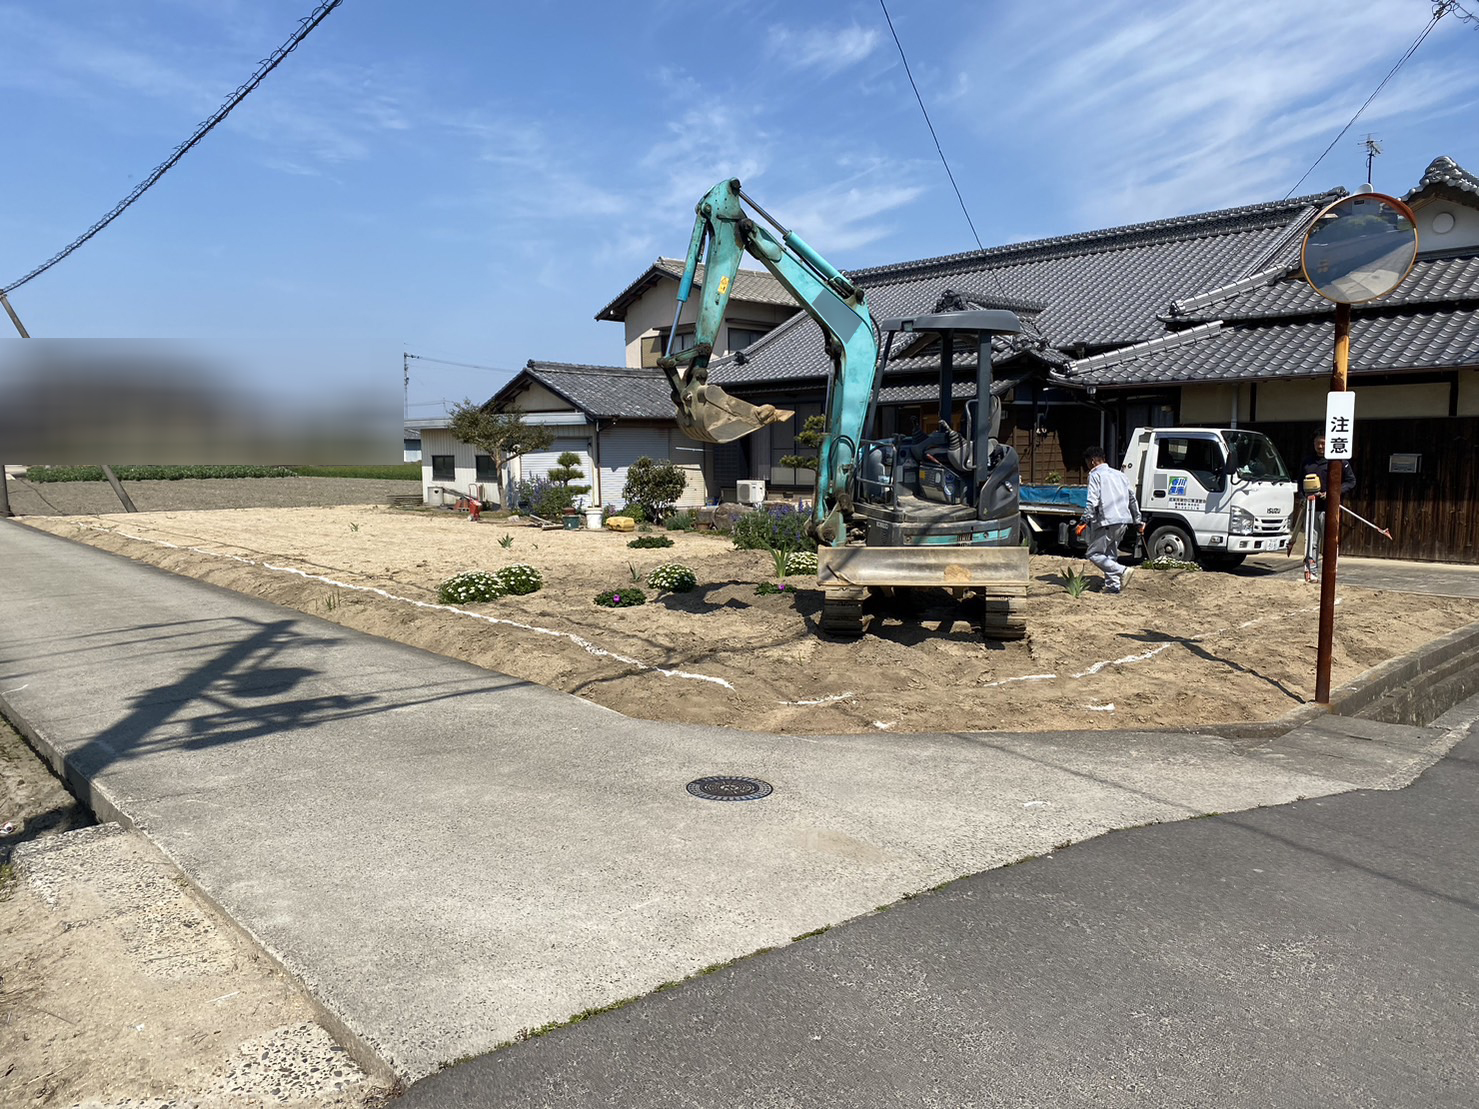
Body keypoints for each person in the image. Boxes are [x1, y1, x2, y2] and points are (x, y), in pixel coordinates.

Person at [1082, 446, 1143, 594]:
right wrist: (1138, 520)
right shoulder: (1120, 475)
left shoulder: (1095, 475)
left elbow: (1092, 501)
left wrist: (1084, 520)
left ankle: (1122, 571)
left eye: (1087, 463)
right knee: (1110, 554)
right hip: (1123, 520)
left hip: (1106, 520)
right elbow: (1132, 499)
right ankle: (1113, 586)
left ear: (1092, 462)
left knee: (1094, 554)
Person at [1300, 434, 1357, 569]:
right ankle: (1310, 571)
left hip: (1329, 509)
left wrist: (1333, 493)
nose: (1320, 447)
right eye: (1318, 443)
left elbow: (1351, 481)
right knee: (1311, 542)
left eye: (1323, 443)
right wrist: (1303, 498)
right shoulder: (1307, 461)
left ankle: (1331, 570)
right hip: (1311, 508)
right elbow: (1300, 482)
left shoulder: (1339, 461)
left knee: (1330, 542)